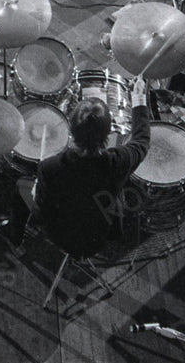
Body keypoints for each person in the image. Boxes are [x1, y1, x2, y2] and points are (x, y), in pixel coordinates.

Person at [34, 74, 150, 258]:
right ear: (107, 134)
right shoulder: (118, 162)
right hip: (100, 234)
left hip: (60, 235)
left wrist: (37, 189)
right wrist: (139, 99)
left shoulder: (49, 167)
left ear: (70, 131)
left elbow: (41, 208)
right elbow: (142, 140)